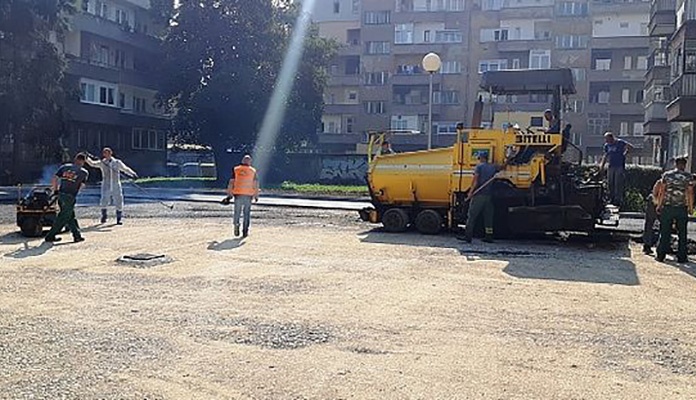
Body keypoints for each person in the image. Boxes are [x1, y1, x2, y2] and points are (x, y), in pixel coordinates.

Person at [656, 157, 694, 263]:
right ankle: (682, 257)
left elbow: (662, 191)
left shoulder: (667, 175)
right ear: (685, 165)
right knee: (682, 233)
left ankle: (661, 255)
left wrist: (659, 205)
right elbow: (690, 193)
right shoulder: (688, 177)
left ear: (675, 164)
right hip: (681, 208)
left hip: (668, 207)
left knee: (665, 232)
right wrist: (690, 208)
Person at [44, 153, 89, 243]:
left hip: (61, 194)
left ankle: (77, 236)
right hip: (69, 196)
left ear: (75, 159)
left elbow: (55, 178)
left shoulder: (65, 167)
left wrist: (55, 190)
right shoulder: (84, 172)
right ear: (83, 161)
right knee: (63, 217)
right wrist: (76, 193)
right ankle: (50, 236)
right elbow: (81, 185)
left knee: (70, 216)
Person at [86, 147, 137, 225]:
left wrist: (132, 174)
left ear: (111, 153)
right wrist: (87, 158)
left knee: (118, 200)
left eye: (107, 153)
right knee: (104, 200)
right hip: (106, 184)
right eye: (104, 153)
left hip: (116, 184)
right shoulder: (102, 162)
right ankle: (104, 215)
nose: (106, 154)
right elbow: (93, 164)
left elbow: (125, 169)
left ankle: (119, 218)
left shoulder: (117, 162)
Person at [459, 152, 498, 244]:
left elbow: (475, 181)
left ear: (481, 158)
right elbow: (501, 167)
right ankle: (489, 236)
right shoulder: (492, 167)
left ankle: (468, 236)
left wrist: (470, 193)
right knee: (488, 217)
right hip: (488, 196)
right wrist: (509, 159)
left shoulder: (479, 167)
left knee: (472, 216)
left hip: (479, 195)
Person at [225, 155, 259, 237]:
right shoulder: (253, 171)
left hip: (238, 194)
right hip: (248, 194)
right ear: (250, 162)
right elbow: (256, 184)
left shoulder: (236, 169)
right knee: (246, 213)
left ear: (242, 161)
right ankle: (245, 231)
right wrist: (256, 195)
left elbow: (231, 182)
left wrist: (229, 194)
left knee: (237, 212)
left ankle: (236, 224)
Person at [600, 132, 634, 208]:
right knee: (610, 183)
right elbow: (605, 155)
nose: (606, 141)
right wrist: (602, 165)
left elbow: (630, 147)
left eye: (607, 139)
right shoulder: (607, 145)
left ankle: (617, 200)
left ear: (611, 138)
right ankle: (611, 199)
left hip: (619, 166)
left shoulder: (620, 142)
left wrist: (625, 153)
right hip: (611, 166)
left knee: (618, 183)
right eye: (606, 139)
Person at [642, 179, 664, 255]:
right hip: (655, 201)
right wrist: (658, 205)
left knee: (663, 225)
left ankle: (661, 246)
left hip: (661, 203)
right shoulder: (661, 182)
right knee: (650, 223)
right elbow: (655, 193)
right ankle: (647, 245)